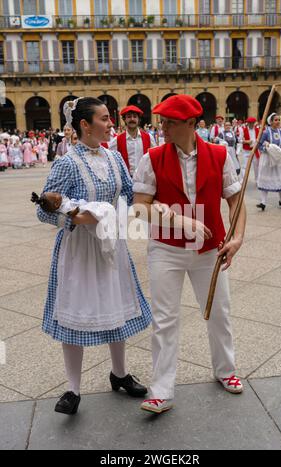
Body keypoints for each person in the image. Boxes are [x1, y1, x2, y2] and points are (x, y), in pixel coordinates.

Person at [36, 97, 151, 415]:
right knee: (76, 312)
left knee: (116, 308)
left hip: (111, 246)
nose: (111, 122)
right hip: (80, 250)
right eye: (104, 118)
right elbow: (44, 210)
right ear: (84, 125)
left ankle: (120, 373)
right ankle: (73, 389)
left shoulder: (115, 159)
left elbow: (130, 194)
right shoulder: (67, 162)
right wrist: (78, 217)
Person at [133, 94, 246, 414]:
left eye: (169, 121)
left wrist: (237, 238)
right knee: (165, 319)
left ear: (192, 124)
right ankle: (161, 391)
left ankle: (226, 370)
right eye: (162, 120)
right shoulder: (152, 158)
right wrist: (177, 219)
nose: (162, 126)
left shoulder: (220, 155)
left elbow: (236, 201)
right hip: (166, 250)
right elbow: (140, 209)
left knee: (219, 312)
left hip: (211, 250)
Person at [256, 113, 281, 211]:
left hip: (278, 159)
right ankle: (263, 202)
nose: (278, 122)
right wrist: (266, 148)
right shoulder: (266, 132)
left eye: (279, 120)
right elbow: (259, 145)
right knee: (265, 180)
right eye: (275, 120)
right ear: (270, 122)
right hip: (267, 159)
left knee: (280, 179)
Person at [109, 105, 156, 176]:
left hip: (145, 179)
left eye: (134, 116)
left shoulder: (149, 138)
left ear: (138, 119)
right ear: (124, 119)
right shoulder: (116, 141)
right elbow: (112, 162)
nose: (132, 119)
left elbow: (155, 158)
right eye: (129, 117)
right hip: (126, 180)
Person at [239, 117, 260, 182]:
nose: (251, 124)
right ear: (247, 123)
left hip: (255, 150)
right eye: (249, 123)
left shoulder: (258, 130)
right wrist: (246, 141)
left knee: (256, 166)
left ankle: (257, 180)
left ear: (254, 123)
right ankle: (242, 180)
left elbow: (260, 139)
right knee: (244, 166)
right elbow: (239, 140)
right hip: (246, 151)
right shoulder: (243, 130)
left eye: (252, 123)